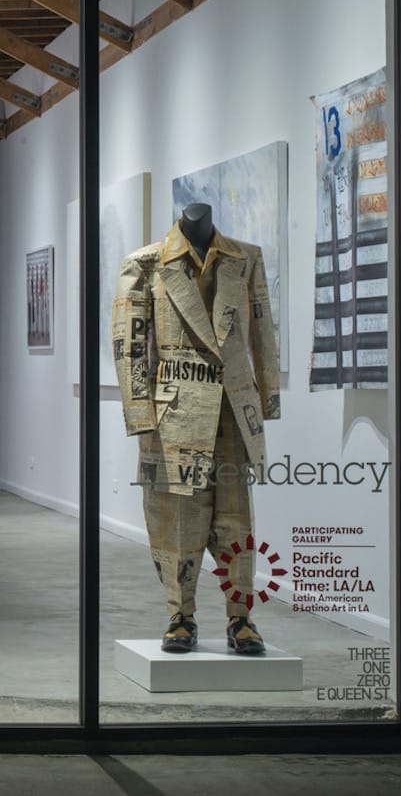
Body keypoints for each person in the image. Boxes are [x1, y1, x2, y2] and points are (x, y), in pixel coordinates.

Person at [111, 203, 281, 655]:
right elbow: (129, 345)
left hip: (233, 410)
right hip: (174, 416)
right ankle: (179, 615)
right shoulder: (146, 264)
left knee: (236, 519)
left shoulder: (245, 257)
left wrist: (268, 397)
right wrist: (139, 414)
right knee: (174, 521)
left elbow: (263, 331)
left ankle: (241, 617)